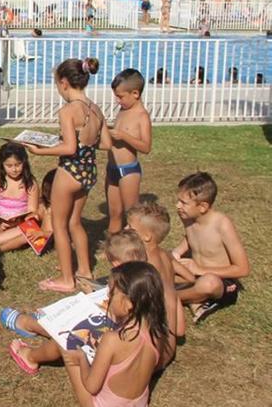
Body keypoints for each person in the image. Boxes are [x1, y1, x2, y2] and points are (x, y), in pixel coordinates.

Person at [4, 230, 150, 375]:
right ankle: (34, 323)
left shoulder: (124, 287)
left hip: (112, 345)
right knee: (74, 322)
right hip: (126, 341)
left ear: (117, 264)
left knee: (64, 340)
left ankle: (30, 354)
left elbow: (115, 317)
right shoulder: (148, 280)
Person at [25, 57, 109, 293]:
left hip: (70, 171)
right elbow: (104, 142)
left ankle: (66, 279)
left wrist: (40, 150)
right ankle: (85, 271)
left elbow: (70, 148)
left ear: (63, 83)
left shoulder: (68, 111)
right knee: (75, 222)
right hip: (88, 171)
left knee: (59, 225)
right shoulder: (95, 109)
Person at [60, 261, 170, 407]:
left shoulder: (112, 340)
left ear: (129, 304)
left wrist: (82, 359)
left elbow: (91, 386)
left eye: (111, 292)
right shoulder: (158, 333)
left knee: (64, 343)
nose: (107, 295)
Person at [172, 172, 250, 323]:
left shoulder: (222, 224)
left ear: (202, 206)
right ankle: (194, 300)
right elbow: (191, 236)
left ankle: (167, 298)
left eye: (183, 203)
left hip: (221, 281)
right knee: (159, 266)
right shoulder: (188, 216)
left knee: (208, 283)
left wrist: (200, 270)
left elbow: (243, 269)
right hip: (194, 274)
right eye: (178, 201)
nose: (177, 206)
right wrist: (177, 252)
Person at [126, 201, 183, 362]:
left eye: (130, 228)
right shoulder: (165, 255)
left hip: (149, 355)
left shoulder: (143, 268)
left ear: (146, 236)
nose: (125, 230)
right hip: (169, 349)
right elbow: (180, 331)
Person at [104, 69, 152, 235]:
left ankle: (137, 246)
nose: (117, 101)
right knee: (114, 213)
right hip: (112, 168)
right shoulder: (123, 111)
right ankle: (111, 245)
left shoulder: (141, 116)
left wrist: (123, 136)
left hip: (128, 171)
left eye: (120, 97)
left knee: (132, 215)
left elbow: (146, 147)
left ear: (135, 93)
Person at [0, 143, 39, 250]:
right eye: (9, 166)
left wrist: (19, 221)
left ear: (24, 162)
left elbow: (32, 211)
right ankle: (10, 242)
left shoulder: (30, 184)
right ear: (2, 164)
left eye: (18, 165)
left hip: (19, 226)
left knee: (24, 231)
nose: (14, 169)